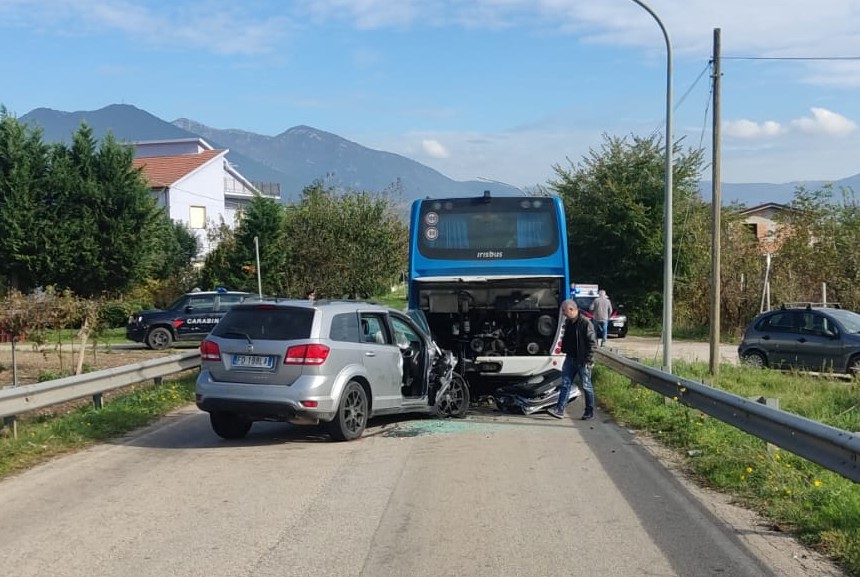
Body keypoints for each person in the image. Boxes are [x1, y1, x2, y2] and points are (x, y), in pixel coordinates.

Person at [548, 299, 597, 421]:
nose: (563, 313)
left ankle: (589, 411)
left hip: (582, 360)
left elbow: (592, 343)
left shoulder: (585, 323)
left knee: (586, 386)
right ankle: (559, 409)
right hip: (570, 358)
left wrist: (589, 360)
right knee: (565, 384)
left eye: (564, 311)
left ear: (571, 309)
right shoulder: (569, 323)